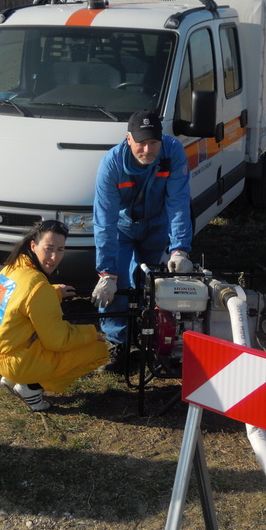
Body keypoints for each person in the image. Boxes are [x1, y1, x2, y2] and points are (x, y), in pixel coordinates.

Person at [91, 110, 194, 368]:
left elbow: (179, 202)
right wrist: (107, 273)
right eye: (141, 143)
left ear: (161, 139)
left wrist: (180, 249)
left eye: (153, 142)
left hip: (158, 226)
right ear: (128, 139)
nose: (147, 150)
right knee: (118, 285)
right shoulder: (111, 165)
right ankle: (118, 344)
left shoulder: (173, 152)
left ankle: (159, 342)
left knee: (157, 285)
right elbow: (104, 222)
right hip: (122, 229)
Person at [0, 220, 109, 411]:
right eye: (48, 249)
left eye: (60, 249)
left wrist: (53, 293)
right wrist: (91, 333)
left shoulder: (13, 267)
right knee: (99, 351)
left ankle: (11, 378)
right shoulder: (38, 286)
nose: (54, 257)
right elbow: (58, 340)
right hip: (18, 362)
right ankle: (31, 388)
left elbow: (22, 300)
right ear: (33, 246)